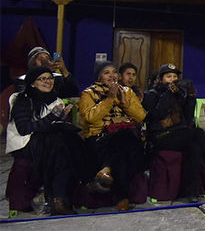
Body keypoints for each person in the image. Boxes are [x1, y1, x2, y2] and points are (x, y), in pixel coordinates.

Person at [142, 63, 205, 201]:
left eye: (175, 76)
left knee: (194, 148)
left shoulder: (178, 94)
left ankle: (191, 192)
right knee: (198, 133)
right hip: (160, 136)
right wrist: (168, 94)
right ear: (160, 79)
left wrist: (190, 95)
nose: (172, 79)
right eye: (168, 76)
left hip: (180, 135)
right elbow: (157, 114)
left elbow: (188, 119)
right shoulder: (151, 94)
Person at [7, 64, 84, 215]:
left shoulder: (57, 101)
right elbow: (25, 129)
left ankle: (58, 199)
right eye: (42, 79)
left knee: (67, 141)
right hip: (26, 143)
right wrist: (53, 117)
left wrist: (61, 118)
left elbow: (51, 125)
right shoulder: (22, 99)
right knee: (61, 144)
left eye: (50, 78)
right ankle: (60, 198)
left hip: (49, 143)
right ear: (32, 83)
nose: (48, 81)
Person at [79, 60, 146, 211]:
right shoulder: (89, 93)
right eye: (106, 72)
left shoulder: (127, 92)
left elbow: (141, 116)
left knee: (125, 143)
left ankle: (107, 170)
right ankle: (122, 198)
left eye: (114, 72)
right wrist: (109, 99)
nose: (112, 76)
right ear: (99, 76)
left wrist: (124, 103)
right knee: (126, 146)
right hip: (100, 136)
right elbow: (90, 118)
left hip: (125, 135)